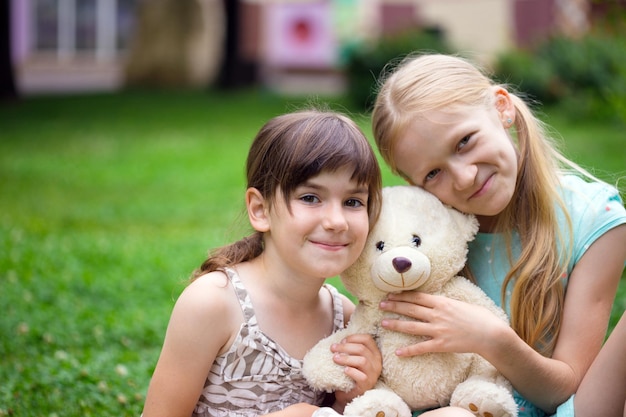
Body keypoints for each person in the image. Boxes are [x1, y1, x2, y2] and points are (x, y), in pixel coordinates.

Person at [370, 53, 626, 417]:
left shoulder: (592, 218)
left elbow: (565, 389)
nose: (464, 177)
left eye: (464, 142)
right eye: (432, 174)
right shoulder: (426, 243)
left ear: (502, 108)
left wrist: (491, 339)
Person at [141, 109, 385, 417]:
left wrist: (347, 398)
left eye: (353, 202)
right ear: (260, 209)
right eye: (310, 197)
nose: (337, 221)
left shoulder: (345, 320)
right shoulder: (214, 304)